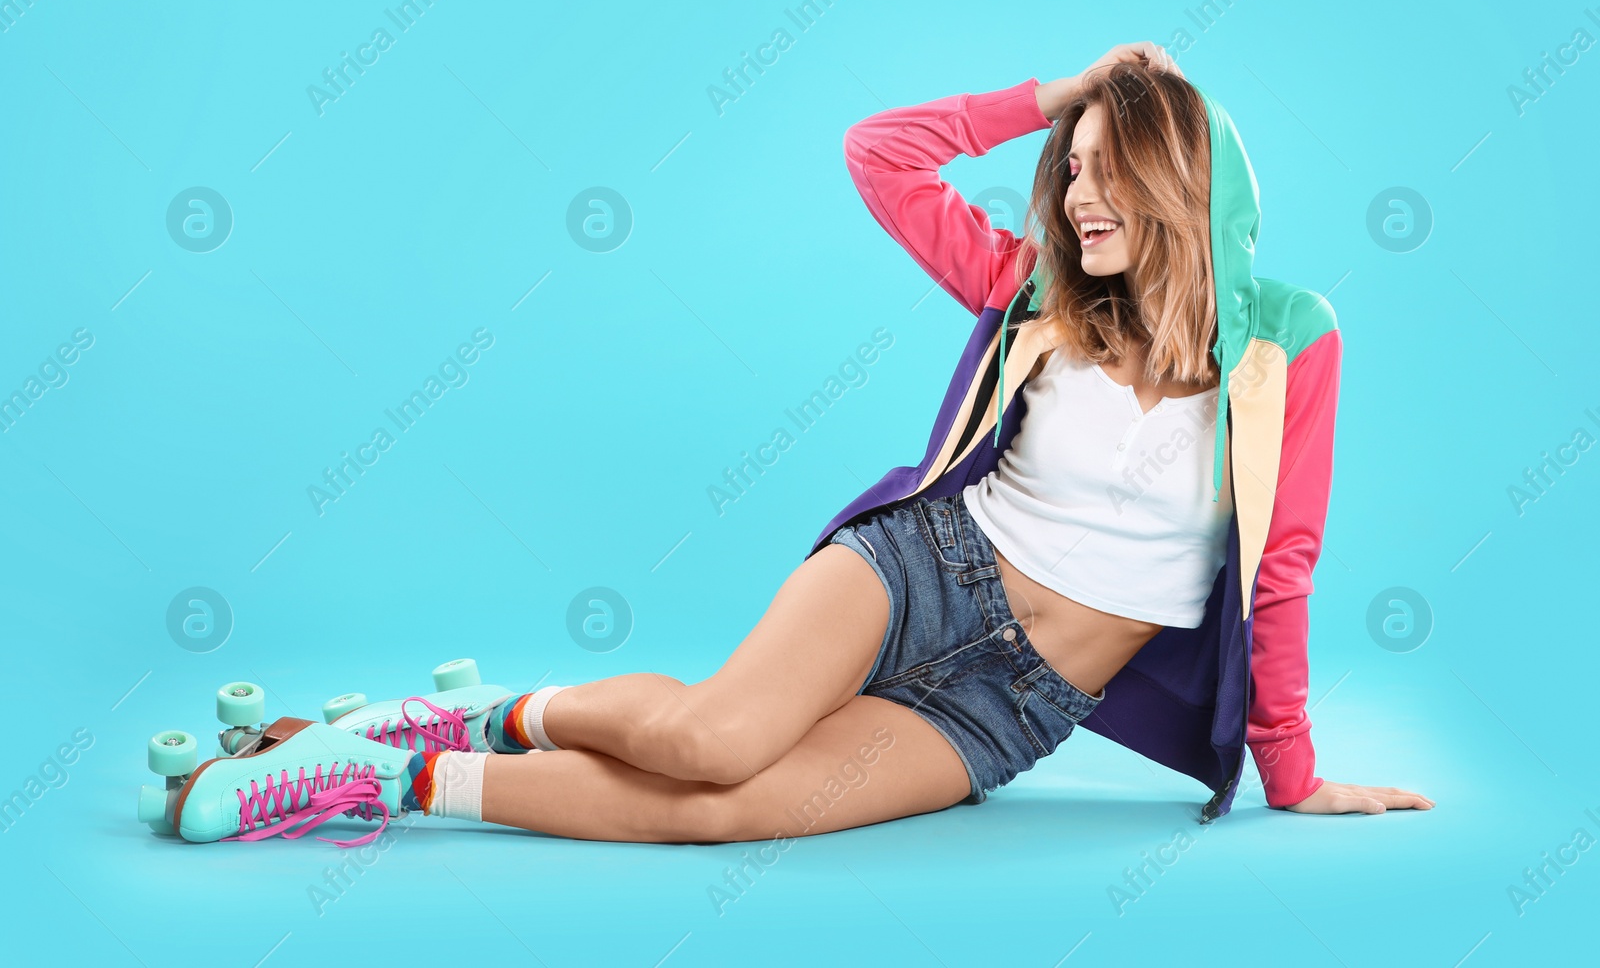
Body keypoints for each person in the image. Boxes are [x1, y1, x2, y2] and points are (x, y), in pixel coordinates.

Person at [155, 44, 1436, 845]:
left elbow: (1282, 569)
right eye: (1072, 167)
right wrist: (1060, 89)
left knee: (742, 810)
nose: (1079, 194)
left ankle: (397, 780)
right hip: (928, 564)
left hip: (1024, 697)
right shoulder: (1032, 294)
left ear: (1183, 183)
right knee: (715, 738)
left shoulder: (1287, 346)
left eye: (1109, 170)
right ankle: (440, 725)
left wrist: (1295, 775)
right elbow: (882, 155)